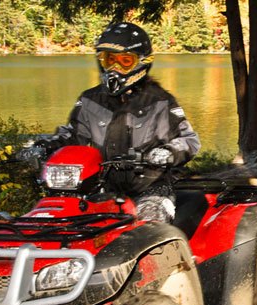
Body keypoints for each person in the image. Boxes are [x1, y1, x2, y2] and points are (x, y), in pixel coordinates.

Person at [21, 22, 200, 223]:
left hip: (151, 187)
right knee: (69, 223)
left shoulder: (160, 101)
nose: (114, 67)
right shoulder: (90, 99)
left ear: (142, 62)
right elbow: (72, 135)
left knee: (148, 228)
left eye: (125, 61)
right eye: (109, 60)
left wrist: (168, 152)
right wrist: (45, 146)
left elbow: (189, 140)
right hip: (100, 186)